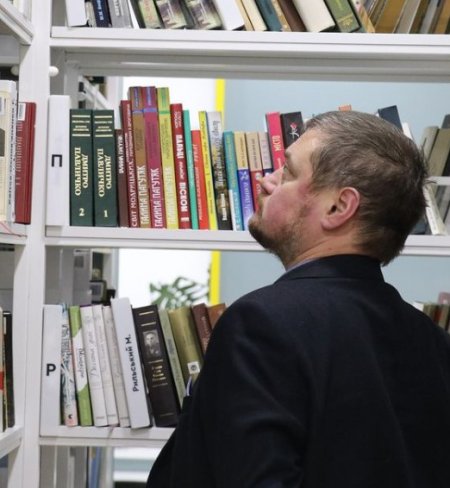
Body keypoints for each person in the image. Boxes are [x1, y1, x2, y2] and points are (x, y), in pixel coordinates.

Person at [147, 111, 450, 487]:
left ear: (339, 207)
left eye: (287, 172)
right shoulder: (432, 340)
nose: (265, 181)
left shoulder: (260, 325)